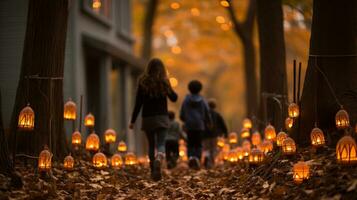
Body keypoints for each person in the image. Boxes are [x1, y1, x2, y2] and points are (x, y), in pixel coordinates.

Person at [129, 58, 178, 181]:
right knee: (161, 143)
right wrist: (168, 86)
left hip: (148, 118)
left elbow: (138, 103)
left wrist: (133, 121)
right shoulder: (164, 82)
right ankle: (159, 158)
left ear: (148, 68)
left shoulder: (143, 81)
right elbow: (174, 98)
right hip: (162, 117)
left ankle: (152, 171)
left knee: (151, 144)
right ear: (162, 69)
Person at [180, 80, 211, 170]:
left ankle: (191, 158)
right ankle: (197, 158)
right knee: (198, 144)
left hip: (189, 125)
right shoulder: (203, 100)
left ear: (189, 89)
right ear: (200, 89)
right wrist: (209, 122)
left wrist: (184, 119)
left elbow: (182, 114)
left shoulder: (186, 100)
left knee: (190, 143)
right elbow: (207, 112)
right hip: (199, 125)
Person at [203, 98, 228, 169]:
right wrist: (225, 133)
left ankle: (207, 158)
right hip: (214, 135)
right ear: (215, 106)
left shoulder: (204, 115)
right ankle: (211, 163)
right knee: (213, 149)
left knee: (206, 148)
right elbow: (223, 124)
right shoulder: (217, 115)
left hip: (205, 135)